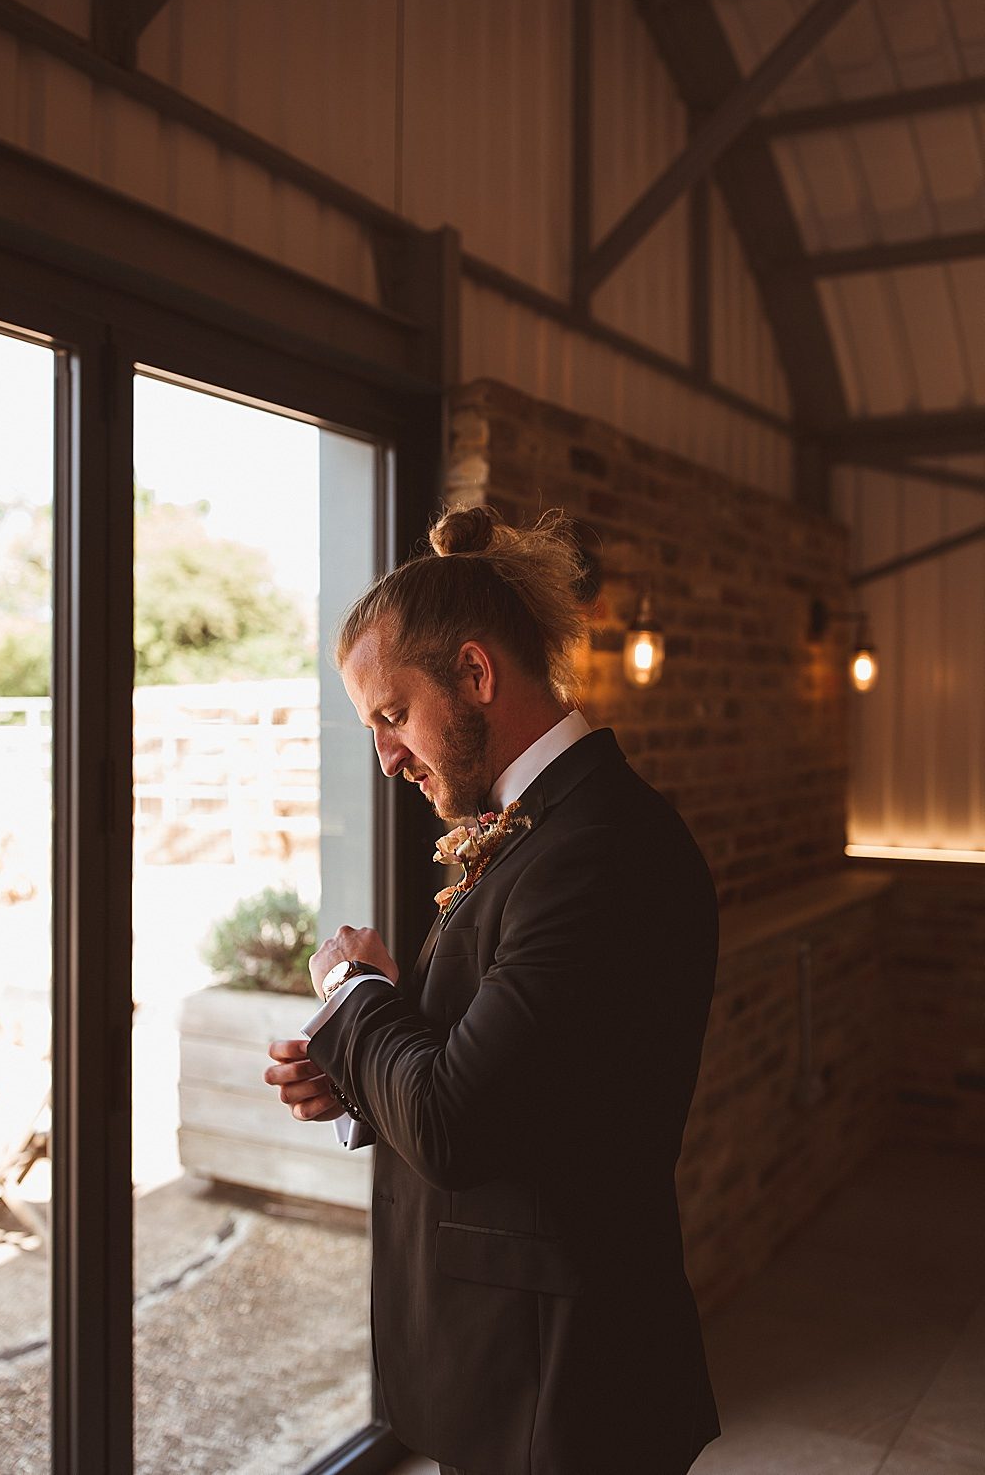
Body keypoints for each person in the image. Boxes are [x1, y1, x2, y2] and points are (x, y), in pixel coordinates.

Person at [264, 505, 719, 1475]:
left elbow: (455, 1121)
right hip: (509, 1371)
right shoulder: (535, 831)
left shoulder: (597, 848)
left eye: (390, 715)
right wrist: (353, 1074)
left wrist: (352, 994)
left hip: (565, 1388)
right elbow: (518, 1081)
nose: (383, 755)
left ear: (474, 674)